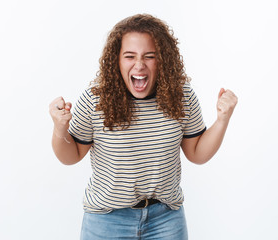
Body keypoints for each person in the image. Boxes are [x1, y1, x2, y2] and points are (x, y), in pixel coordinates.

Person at [49, 14, 237, 240]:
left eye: (149, 56)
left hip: (166, 219)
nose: (139, 64)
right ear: (116, 60)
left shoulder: (182, 96)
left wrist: (222, 120)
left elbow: (196, 153)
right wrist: (60, 129)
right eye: (130, 56)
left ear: (163, 59)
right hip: (107, 221)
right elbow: (71, 156)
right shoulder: (96, 99)